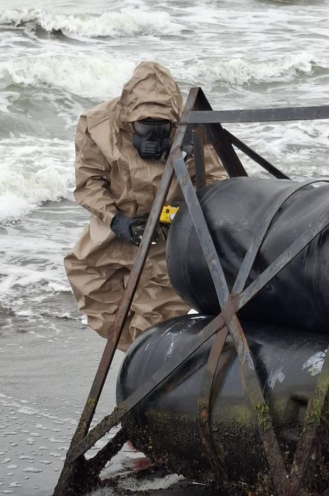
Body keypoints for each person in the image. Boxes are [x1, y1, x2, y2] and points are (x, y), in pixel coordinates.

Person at [64, 61, 225, 351]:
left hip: (167, 235)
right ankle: (136, 357)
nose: (152, 140)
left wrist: (180, 214)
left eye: (160, 130)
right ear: (127, 120)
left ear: (173, 122)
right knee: (95, 292)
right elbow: (88, 183)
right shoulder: (98, 125)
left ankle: (143, 366)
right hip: (115, 228)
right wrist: (116, 221)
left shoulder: (191, 130)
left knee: (153, 315)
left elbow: (214, 184)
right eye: (144, 129)